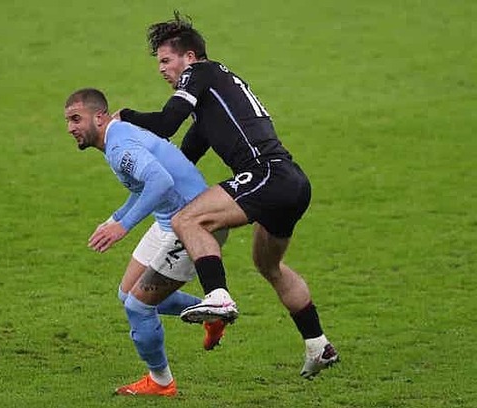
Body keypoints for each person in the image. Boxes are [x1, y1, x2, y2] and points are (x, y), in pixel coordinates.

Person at [114, 12, 339, 379]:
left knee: (188, 219)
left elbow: (167, 123)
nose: (162, 70)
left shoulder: (201, 72)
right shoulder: (212, 103)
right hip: (291, 181)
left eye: (166, 60)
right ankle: (318, 345)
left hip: (267, 174)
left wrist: (123, 118)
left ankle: (217, 296)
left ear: (189, 57)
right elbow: (182, 158)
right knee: (268, 265)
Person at [64, 88, 228, 396]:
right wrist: (116, 217)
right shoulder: (117, 136)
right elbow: (145, 185)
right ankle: (210, 313)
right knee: (127, 294)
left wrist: (123, 227)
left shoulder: (119, 145)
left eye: (76, 119)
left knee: (138, 307)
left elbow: (160, 181)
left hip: (195, 225)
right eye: (68, 121)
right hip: (171, 221)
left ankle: (161, 382)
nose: (70, 128)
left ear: (99, 117)